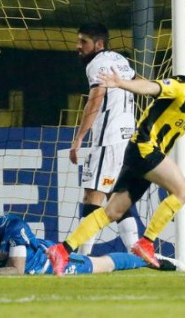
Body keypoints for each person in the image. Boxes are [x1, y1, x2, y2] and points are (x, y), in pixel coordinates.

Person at [47, 50, 185, 275]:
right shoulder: (181, 87)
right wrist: (121, 83)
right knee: (183, 192)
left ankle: (62, 250)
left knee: (111, 212)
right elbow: (151, 87)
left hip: (140, 153)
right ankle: (146, 243)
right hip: (144, 147)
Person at [70, 22, 139, 255]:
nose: (78, 46)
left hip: (108, 139)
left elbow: (96, 97)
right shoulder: (120, 60)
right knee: (115, 196)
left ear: (99, 44)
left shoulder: (97, 63)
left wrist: (79, 138)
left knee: (93, 195)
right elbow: (139, 82)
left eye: (83, 42)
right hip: (127, 136)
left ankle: (83, 256)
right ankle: (136, 252)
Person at [0, 212, 171, 276]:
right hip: (19, 261)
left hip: (42, 263)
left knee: (101, 265)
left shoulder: (13, 229)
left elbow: (16, 271)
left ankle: (146, 260)